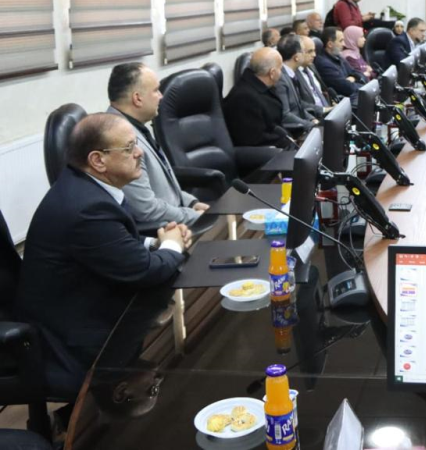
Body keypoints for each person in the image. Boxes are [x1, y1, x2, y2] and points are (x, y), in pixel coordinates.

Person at [15, 114, 190, 381]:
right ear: (98, 160)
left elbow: (115, 241)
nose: (140, 152)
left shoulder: (92, 189)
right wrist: (172, 245)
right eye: (129, 147)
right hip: (76, 342)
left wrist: (157, 242)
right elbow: (146, 271)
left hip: (89, 308)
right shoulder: (87, 208)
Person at [106, 63, 209, 233]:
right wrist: (193, 215)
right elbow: (145, 209)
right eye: (156, 90)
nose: (161, 96)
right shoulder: (120, 139)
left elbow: (163, 187)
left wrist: (191, 203)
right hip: (164, 232)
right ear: (137, 98)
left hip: (177, 219)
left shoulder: (134, 126)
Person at [223, 47, 290, 147]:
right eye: (280, 69)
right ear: (272, 73)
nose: (281, 73)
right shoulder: (244, 99)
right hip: (263, 153)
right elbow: (256, 139)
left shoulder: (261, 87)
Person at [275, 34, 321, 134]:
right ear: (296, 57)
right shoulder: (281, 78)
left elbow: (298, 105)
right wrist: (310, 125)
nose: (311, 54)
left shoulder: (291, 73)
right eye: (303, 51)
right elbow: (285, 115)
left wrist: (312, 119)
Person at [314, 27, 364, 100]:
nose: (344, 44)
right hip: (345, 101)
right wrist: (359, 82)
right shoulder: (324, 64)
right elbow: (348, 88)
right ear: (330, 44)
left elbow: (357, 73)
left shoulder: (338, 56)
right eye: (341, 41)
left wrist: (353, 78)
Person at [296, 35, 332, 109]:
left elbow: (322, 91)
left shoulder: (311, 66)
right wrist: (323, 110)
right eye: (309, 51)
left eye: (314, 51)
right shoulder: (293, 75)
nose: (314, 55)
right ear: (298, 53)